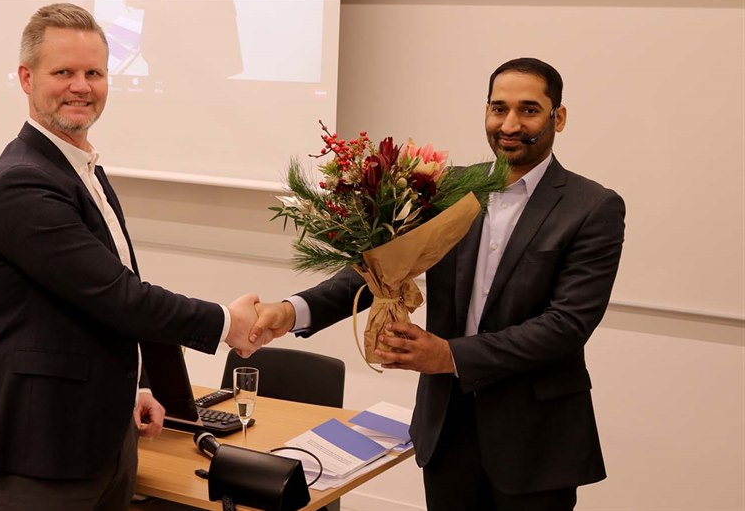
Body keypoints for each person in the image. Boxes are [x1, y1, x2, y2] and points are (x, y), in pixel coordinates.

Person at [252, 57, 625, 510]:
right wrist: (291, 311)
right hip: (447, 428)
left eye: (528, 110)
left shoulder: (593, 207)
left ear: (557, 117)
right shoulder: (448, 189)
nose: (509, 124)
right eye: (499, 108)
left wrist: (449, 355)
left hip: (534, 438)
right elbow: (380, 266)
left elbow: (566, 325)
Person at [0, 3, 264, 511]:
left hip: (102, 438)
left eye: (94, 73)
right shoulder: (23, 183)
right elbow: (119, 296)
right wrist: (226, 323)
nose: (81, 87)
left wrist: (136, 389)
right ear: (26, 78)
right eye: (63, 72)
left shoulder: (81, 170)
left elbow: (99, 304)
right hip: (41, 452)